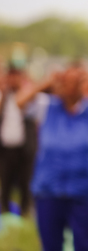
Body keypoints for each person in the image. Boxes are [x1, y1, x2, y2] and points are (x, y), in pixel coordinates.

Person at [16, 65, 88, 251]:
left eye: (75, 82)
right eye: (66, 81)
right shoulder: (47, 106)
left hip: (85, 192)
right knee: (50, 244)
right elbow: (19, 102)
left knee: (86, 245)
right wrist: (45, 82)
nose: (70, 87)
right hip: (49, 190)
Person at [0, 65, 35, 215]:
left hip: (24, 146)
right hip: (6, 146)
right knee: (6, 180)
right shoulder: (4, 96)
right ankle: (5, 209)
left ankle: (25, 210)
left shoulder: (27, 96)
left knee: (24, 181)